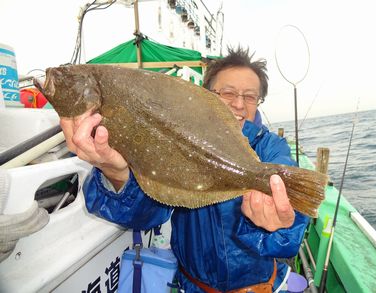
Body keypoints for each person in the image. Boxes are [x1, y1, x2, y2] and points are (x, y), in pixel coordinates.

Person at [60, 47, 309, 292]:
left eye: (250, 96)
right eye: (227, 92)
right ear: (205, 95)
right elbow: (148, 215)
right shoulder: (173, 140)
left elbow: (291, 225)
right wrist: (115, 174)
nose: (239, 105)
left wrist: (281, 222)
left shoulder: (269, 148)